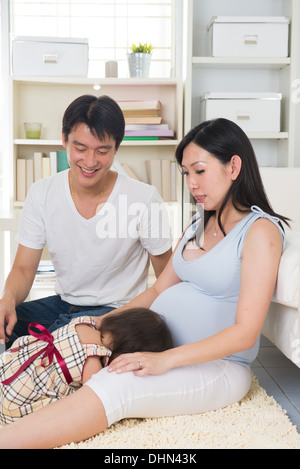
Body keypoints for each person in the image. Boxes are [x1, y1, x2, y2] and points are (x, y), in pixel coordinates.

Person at [0, 118, 289, 449]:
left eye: (199, 171)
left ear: (233, 166)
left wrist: (163, 361)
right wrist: (98, 321)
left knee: (117, 385)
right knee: (67, 346)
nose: (192, 184)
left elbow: (245, 333)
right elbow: (157, 290)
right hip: (159, 344)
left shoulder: (260, 232)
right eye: (186, 174)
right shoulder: (199, 224)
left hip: (217, 367)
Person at [0, 94, 172, 348]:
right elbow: (24, 269)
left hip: (117, 312)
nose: (90, 162)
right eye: (80, 149)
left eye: (102, 151)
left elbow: (167, 279)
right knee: (12, 324)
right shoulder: (42, 192)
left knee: (52, 343)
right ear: (64, 140)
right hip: (62, 305)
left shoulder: (144, 199)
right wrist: (8, 298)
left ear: (116, 147)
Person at [0, 308, 173, 425]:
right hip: (14, 402)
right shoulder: (92, 361)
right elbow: (93, 402)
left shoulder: (83, 322)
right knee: (70, 409)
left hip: (8, 366)